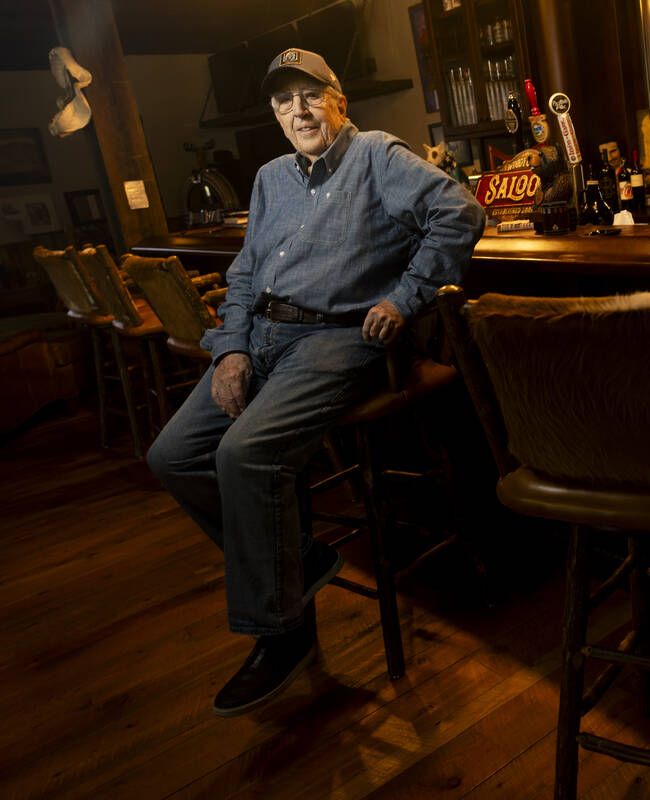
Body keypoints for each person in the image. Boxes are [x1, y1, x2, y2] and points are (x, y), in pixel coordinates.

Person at [146, 48, 485, 717]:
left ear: (339, 101)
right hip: (263, 337)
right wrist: (231, 352)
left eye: (310, 95)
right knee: (173, 455)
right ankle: (294, 562)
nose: (297, 110)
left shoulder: (377, 155)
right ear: (273, 113)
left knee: (243, 454)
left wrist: (406, 297)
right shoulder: (271, 177)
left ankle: (283, 635)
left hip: (336, 338)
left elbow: (462, 213)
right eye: (282, 101)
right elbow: (245, 275)